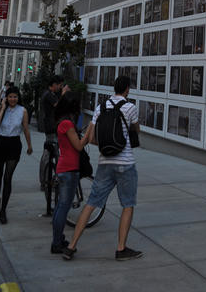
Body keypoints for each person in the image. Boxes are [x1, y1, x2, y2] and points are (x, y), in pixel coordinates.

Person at [63, 75, 142, 262]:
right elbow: (136, 130)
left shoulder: (101, 107)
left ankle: (71, 246)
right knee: (127, 205)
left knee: (91, 203)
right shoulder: (130, 107)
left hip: (104, 163)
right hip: (125, 163)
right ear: (127, 89)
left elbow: (91, 138)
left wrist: (106, 145)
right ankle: (121, 249)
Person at [51, 92, 90, 254]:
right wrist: (89, 131)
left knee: (60, 206)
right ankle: (57, 242)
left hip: (64, 167)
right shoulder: (67, 124)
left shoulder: (62, 121)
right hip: (69, 168)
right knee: (63, 207)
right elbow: (79, 146)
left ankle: (58, 240)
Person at [0, 85, 32, 224]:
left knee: (7, 178)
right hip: (0, 143)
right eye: (10, 97)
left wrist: (29, 145)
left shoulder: (23, 111)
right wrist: (3, 108)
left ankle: (3, 210)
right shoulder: (0, 108)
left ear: (18, 97)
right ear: (6, 98)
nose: (13, 99)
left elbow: (26, 129)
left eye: (15, 96)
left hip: (14, 145)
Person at [39, 75, 68, 190]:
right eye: (60, 85)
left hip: (52, 127)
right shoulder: (48, 95)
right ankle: (45, 181)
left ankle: (47, 180)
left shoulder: (51, 94)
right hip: (51, 127)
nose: (60, 88)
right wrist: (64, 93)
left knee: (51, 153)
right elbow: (58, 105)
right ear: (54, 84)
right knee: (50, 153)